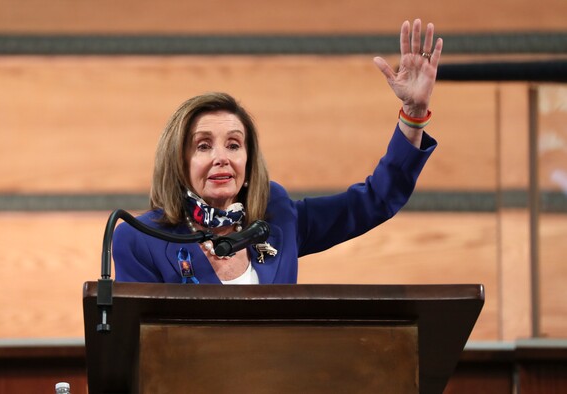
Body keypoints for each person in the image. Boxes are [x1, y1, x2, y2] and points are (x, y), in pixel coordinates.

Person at [113, 19, 443, 284]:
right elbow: (143, 346)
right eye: (203, 146)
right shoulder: (140, 239)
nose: (221, 157)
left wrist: (413, 116)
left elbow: (375, 201)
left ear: (248, 158)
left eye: (234, 144)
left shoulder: (276, 215)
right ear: (177, 161)